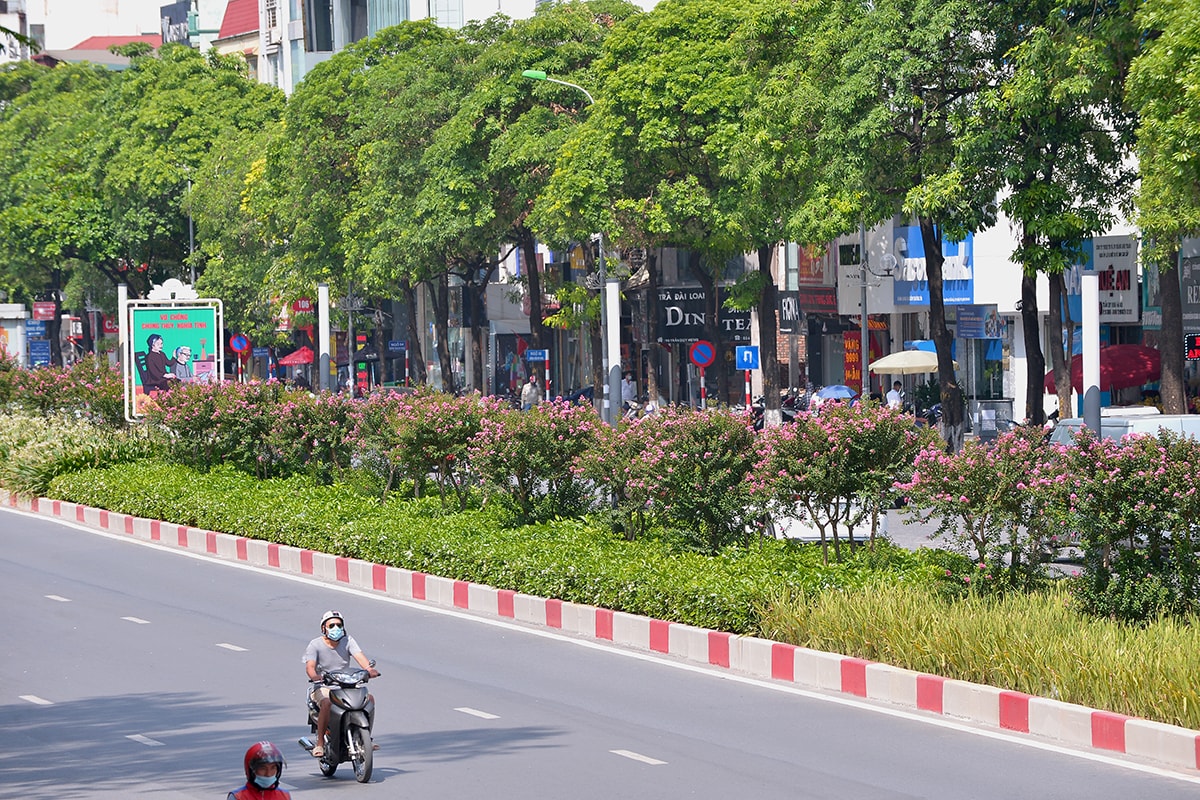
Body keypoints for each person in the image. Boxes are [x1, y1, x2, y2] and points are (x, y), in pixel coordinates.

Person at [304, 610, 379, 759]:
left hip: (347, 684)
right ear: (324, 628)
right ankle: (319, 744)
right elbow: (310, 667)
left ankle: (366, 739)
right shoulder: (315, 645)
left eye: (339, 625)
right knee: (326, 703)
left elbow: (360, 657)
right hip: (324, 686)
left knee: (369, 699)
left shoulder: (348, 641)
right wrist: (316, 677)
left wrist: (369, 670)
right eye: (331, 625)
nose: (335, 628)